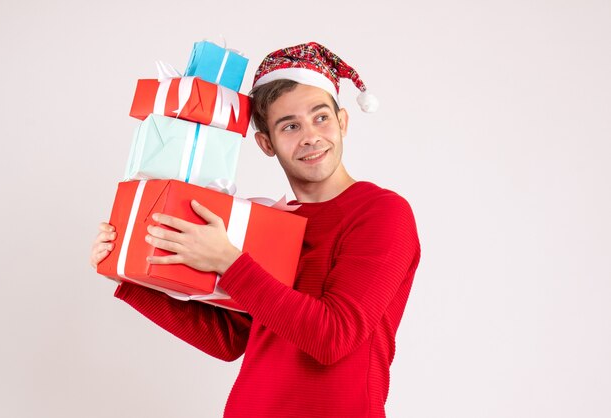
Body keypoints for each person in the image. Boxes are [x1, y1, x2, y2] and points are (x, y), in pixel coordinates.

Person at [90, 42, 421, 418]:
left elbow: (333, 337)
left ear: (342, 121)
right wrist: (128, 272)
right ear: (266, 143)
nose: (310, 136)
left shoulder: (382, 212)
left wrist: (230, 263)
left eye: (321, 117)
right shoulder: (268, 220)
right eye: (290, 126)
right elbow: (231, 338)